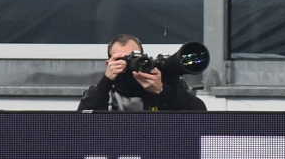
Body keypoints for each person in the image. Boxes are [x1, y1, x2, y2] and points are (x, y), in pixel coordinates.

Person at [77, 33, 207, 112]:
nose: (130, 63)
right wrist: (106, 81)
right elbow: (82, 120)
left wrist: (162, 90)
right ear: (110, 62)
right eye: (123, 59)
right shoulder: (106, 89)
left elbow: (199, 111)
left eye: (135, 57)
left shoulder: (159, 81)